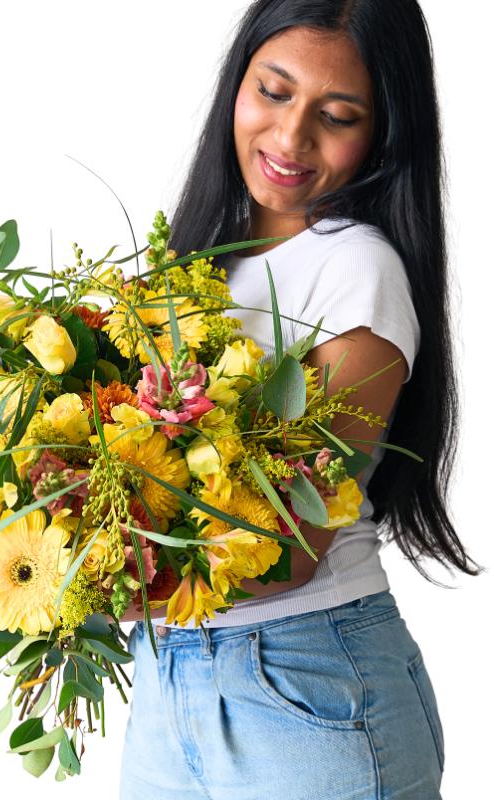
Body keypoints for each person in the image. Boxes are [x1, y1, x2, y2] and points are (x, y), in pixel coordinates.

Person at [118, 1, 484, 798]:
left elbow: (291, 543)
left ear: (384, 132)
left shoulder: (355, 268)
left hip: (304, 680)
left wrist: (77, 572)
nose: (290, 138)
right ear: (237, 83)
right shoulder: (196, 266)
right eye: (274, 92)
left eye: (338, 115)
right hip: (170, 679)